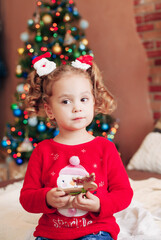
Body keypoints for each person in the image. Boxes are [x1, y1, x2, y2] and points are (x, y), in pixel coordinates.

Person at [20, 52, 133, 240]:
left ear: (94, 102)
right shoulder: (43, 151)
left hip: (96, 230)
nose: (77, 108)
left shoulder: (105, 148)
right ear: (49, 110)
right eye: (66, 101)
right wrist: (47, 198)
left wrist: (99, 205)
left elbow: (123, 193)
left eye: (84, 99)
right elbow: (26, 198)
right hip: (51, 233)